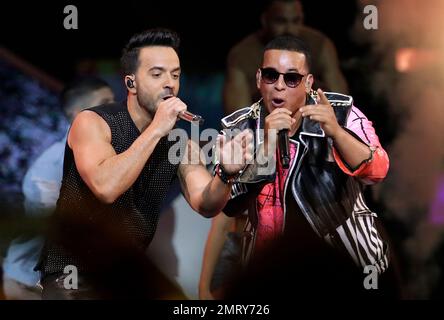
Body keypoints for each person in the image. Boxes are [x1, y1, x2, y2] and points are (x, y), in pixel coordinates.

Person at [35, 28, 252, 299]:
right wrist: (157, 129)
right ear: (130, 83)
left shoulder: (179, 142)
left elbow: (205, 204)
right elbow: (106, 187)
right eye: (157, 74)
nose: (169, 83)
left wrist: (225, 174)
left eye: (175, 74)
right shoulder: (93, 122)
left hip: (125, 277)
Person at [216, 35, 391, 297]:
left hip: (347, 262)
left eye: (292, 78)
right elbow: (230, 205)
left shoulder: (341, 112)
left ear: (308, 82)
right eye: (271, 76)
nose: (279, 86)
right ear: (258, 79)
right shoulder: (240, 127)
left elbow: (377, 170)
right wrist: (267, 145)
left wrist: (336, 133)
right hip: (273, 270)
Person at [1, 77, 114, 300]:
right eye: (105, 102)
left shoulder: (104, 150)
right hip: (29, 285)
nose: (115, 108)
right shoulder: (50, 168)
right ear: (79, 113)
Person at [223, 0, 348, 115]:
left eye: (296, 21)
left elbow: (340, 106)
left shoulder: (321, 46)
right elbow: (238, 118)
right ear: (265, 20)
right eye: (280, 21)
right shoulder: (242, 54)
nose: (289, 29)